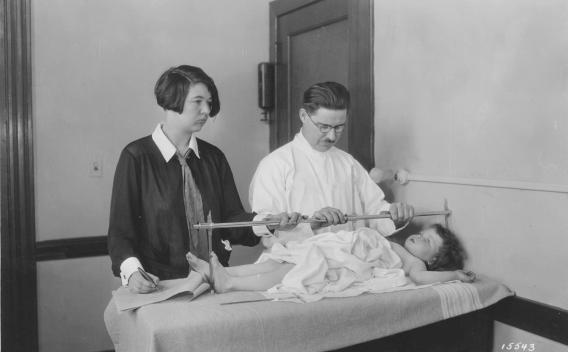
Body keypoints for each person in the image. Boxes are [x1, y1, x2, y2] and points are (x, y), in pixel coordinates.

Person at [107, 65, 296, 294]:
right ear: (171, 100)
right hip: (160, 286)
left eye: (209, 102)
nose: (207, 110)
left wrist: (269, 222)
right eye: (197, 102)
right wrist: (133, 272)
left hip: (214, 284)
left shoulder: (213, 157)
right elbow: (121, 233)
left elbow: (232, 222)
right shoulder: (136, 157)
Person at [249, 81, 414, 246]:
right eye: (324, 127)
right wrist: (311, 224)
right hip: (299, 263)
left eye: (339, 127)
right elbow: (267, 234)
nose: (332, 136)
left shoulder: (348, 163)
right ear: (304, 116)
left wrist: (394, 215)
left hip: (351, 261)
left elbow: (374, 211)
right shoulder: (276, 165)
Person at [186, 223, 475, 294]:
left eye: (428, 242)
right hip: (338, 246)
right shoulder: (398, 245)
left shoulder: (416, 264)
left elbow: (421, 279)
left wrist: (455, 276)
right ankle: (222, 274)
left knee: (291, 270)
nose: (420, 237)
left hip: (341, 260)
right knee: (283, 259)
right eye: (423, 233)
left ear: (434, 260)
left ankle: (231, 284)